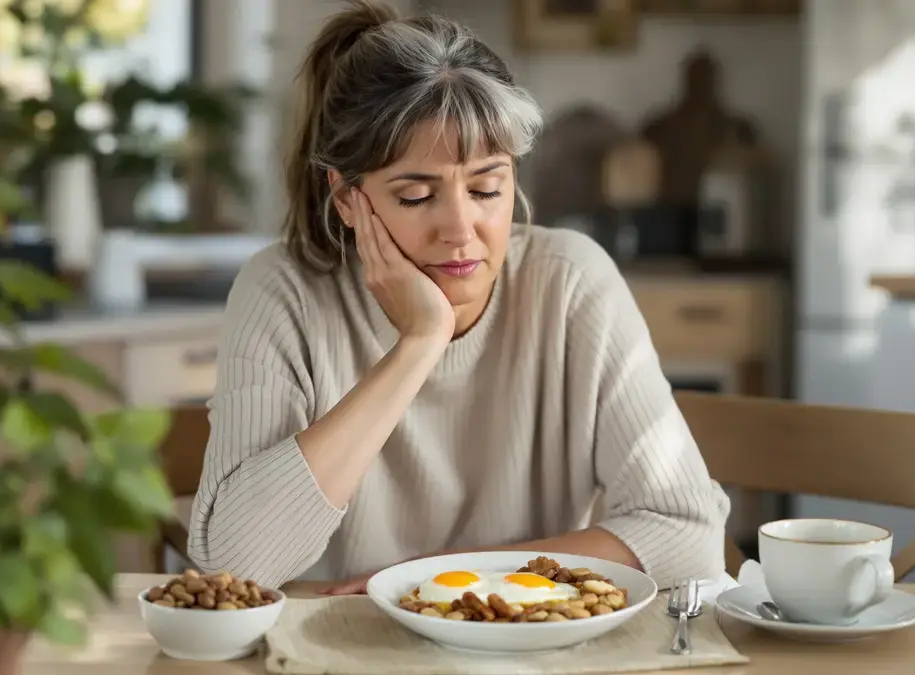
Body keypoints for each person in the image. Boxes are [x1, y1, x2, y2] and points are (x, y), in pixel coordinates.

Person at [187, 0, 730, 593]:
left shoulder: (571, 280)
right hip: (330, 638)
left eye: (487, 188)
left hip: (528, 636)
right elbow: (232, 568)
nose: (461, 229)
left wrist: (436, 580)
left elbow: (688, 535)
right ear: (346, 198)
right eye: (417, 197)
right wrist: (419, 343)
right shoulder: (284, 291)